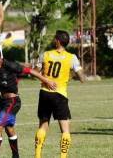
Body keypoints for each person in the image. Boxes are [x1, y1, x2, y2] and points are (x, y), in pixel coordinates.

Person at [0, 47, 56, 158]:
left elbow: (31, 71)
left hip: (13, 102)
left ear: (0, 58)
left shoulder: (11, 66)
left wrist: (46, 81)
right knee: (9, 129)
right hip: (5, 102)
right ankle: (16, 156)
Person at [34, 30, 85, 158]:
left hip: (45, 93)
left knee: (43, 126)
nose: (53, 40)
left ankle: (37, 155)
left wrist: (46, 79)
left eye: (54, 38)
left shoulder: (45, 54)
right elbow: (82, 78)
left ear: (57, 41)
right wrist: (72, 72)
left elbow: (34, 72)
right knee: (65, 129)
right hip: (60, 95)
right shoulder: (71, 57)